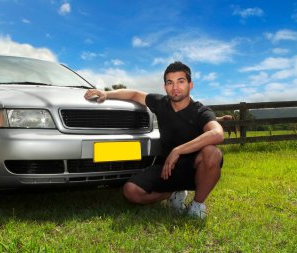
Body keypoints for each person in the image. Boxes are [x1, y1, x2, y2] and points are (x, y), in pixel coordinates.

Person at [84, 61, 224, 219]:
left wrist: (178, 150)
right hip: (167, 169)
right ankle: (173, 194)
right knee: (130, 191)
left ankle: (197, 205)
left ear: (190, 85)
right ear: (165, 87)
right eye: (170, 82)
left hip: (195, 170)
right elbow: (134, 95)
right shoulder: (160, 103)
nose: (175, 87)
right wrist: (107, 94)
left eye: (181, 81)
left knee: (213, 153)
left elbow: (218, 133)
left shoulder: (200, 111)